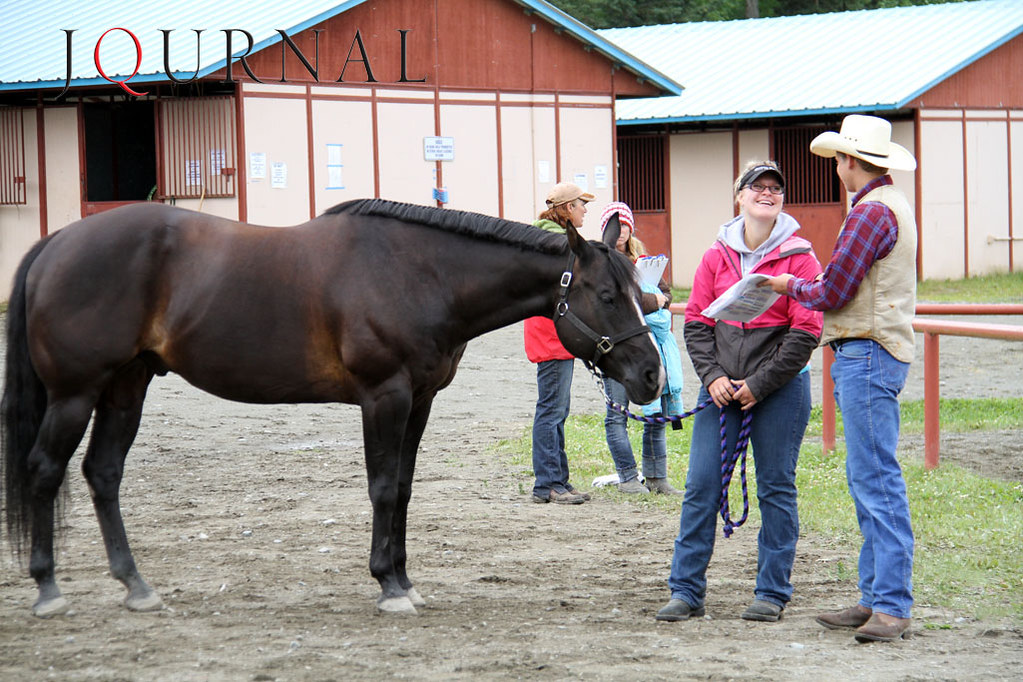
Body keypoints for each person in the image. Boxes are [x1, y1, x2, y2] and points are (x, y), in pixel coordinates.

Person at [760, 115, 918, 643]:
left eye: (838, 161)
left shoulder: (869, 212)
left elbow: (832, 292)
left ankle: (890, 604)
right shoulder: (890, 205)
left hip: (867, 351)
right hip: (875, 350)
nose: (837, 170)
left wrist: (786, 285)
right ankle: (877, 597)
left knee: (875, 478)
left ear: (849, 161)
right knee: (869, 476)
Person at [656, 160, 823, 624]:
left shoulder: (801, 259)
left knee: (775, 488)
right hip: (722, 388)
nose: (766, 193)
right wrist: (712, 377)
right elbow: (697, 324)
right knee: (702, 486)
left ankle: (772, 591)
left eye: (775, 188)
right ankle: (685, 590)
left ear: (781, 200)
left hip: (781, 390)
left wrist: (760, 384)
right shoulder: (715, 256)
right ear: (740, 196)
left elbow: (805, 330)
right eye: (757, 186)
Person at [598, 201, 683, 496]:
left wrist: (659, 299)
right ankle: (626, 477)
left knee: (655, 413)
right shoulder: (601, 263)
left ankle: (657, 477)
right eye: (614, 224)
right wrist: (652, 301)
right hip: (613, 350)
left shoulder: (644, 261)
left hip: (647, 347)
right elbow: (621, 302)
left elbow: (667, 294)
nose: (620, 231)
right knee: (617, 413)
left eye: (624, 224)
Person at [525, 182, 595, 505]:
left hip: (556, 337)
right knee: (551, 410)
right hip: (552, 337)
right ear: (567, 208)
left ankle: (559, 481)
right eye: (581, 204)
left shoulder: (552, 241)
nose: (585, 210)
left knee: (557, 410)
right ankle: (548, 484)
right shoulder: (555, 244)